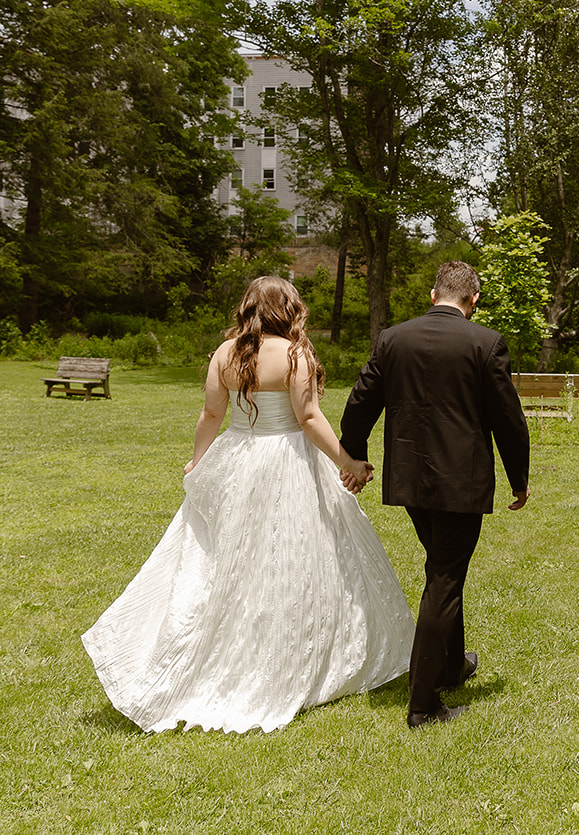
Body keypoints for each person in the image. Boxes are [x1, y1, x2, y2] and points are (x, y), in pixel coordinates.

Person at [81, 276, 415, 733]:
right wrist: (348, 461)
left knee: (232, 556)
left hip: (239, 455)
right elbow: (310, 417)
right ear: (290, 308)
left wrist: (197, 463)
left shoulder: (226, 353)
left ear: (249, 307)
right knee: (294, 555)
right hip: (288, 459)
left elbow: (211, 415)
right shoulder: (295, 354)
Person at [340, 259, 531, 729]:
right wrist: (519, 477)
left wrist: (355, 455)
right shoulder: (486, 343)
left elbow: (360, 401)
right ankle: (424, 704)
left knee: (444, 568)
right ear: (473, 300)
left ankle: (450, 665)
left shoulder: (393, 339)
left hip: (410, 482)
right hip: (459, 484)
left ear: (433, 294)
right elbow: (508, 417)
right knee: (444, 579)